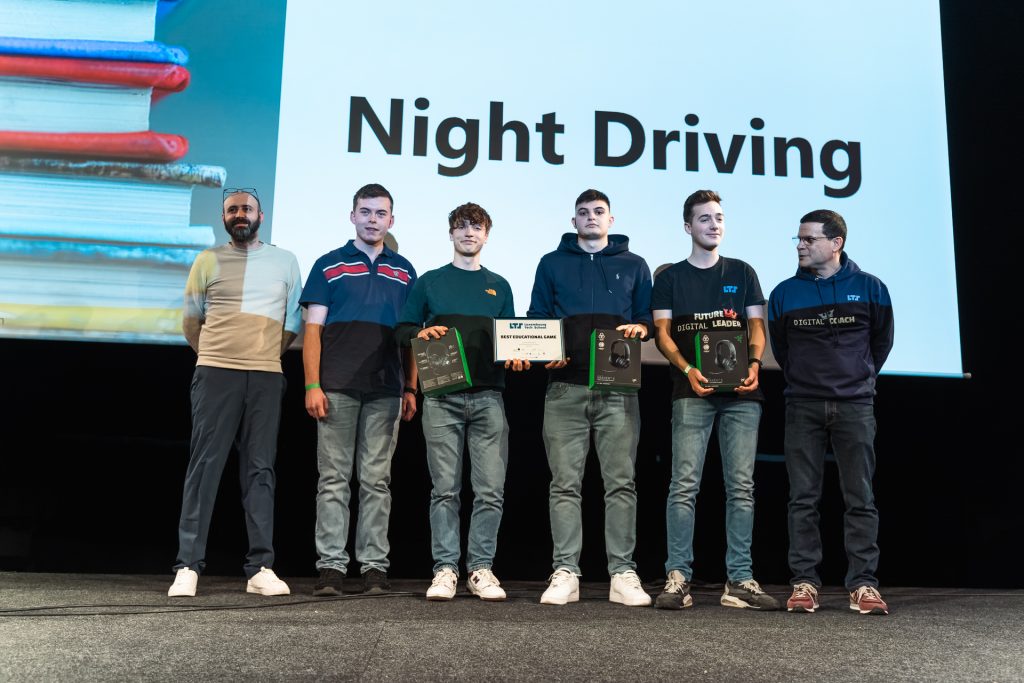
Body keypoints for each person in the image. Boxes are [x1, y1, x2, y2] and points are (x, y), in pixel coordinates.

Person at [168, 187, 302, 598]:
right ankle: (188, 565)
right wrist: (216, 355)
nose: (240, 214)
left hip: (265, 375)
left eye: (247, 208)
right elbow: (191, 321)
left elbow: (292, 322)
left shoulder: (286, 260)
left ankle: (260, 567)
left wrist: (263, 355)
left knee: (260, 470)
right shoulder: (206, 260)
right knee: (204, 467)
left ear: (261, 216)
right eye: (232, 210)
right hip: (215, 372)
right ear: (224, 217)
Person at [650, 189, 778, 611]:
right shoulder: (669, 278)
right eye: (704, 218)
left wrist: (755, 363)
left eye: (719, 217)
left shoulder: (743, 271)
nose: (713, 224)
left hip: (743, 394)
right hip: (691, 392)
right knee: (683, 486)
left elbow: (756, 327)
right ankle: (677, 577)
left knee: (741, 487)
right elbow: (662, 335)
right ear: (688, 226)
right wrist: (688, 369)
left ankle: (739, 579)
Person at [525, 188, 653, 606]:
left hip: (619, 390)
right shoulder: (551, 263)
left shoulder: (634, 265)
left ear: (610, 220)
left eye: (599, 211)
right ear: (574, 221)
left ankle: (622, 574)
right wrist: (544, 352)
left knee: (621, 484)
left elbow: (646, 318)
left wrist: (641, 328)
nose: (591, 217)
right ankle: (566, 571)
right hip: (565, 388)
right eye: (583, 212)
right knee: (564, 485)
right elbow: (538, 319)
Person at [768, 209, 894, 615]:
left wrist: (858, 378)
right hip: (802, 405)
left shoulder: (871, 288)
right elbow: (782, 349)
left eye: (809, 239)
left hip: (855, 405)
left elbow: (880, 344)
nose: (800, 245)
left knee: (860, 497)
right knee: (802, 499)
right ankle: (804, 582)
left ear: (836, 243)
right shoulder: (784, 293)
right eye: (799, 239)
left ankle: (863, 583)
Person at [301, 183, 417, 596]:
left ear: (391, 220)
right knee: (333, 480)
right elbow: (312, 332)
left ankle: (373, 568)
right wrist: (312, 384)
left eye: (380, 213)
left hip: (386, 389)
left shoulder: (405, 271)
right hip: (336, 387)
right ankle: (331, 567)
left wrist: (411, 388)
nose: (372, 220)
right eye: (365, 212)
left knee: (376, 481)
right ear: (352, 216)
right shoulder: (328, 265)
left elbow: (411, 337)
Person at [395, 202, 515, 601]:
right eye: (461, 226)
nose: (469, 233)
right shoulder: (429, 282)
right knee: (444, 490)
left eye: (476, 227)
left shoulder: (500, 285)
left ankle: (480, 568)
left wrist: (517, 355)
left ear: (486, 235)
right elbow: (403, 329)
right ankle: (445, 569)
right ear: (450, 233)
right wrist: (419, 334)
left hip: (489, 398)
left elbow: (511, 338)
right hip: (441, 398)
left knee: (490, 491)